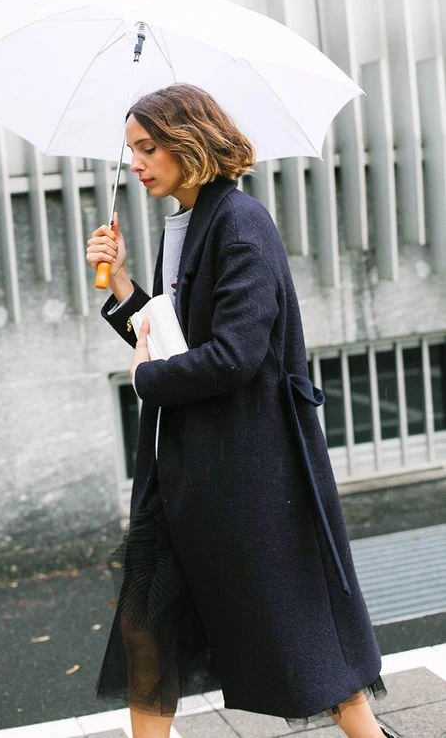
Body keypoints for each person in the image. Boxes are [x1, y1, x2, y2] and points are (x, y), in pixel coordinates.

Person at [85, 84, 399, 738]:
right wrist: (122, 283)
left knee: (297, 628)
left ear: (190, 142)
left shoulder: (240, 222)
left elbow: (235, 355)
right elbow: (176, 340)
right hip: (182, 468)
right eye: (131, 149)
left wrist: (145, 380)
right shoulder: (189, 221)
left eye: (149, 147)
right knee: (148, 630)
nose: (136, 163)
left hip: (245, 469)